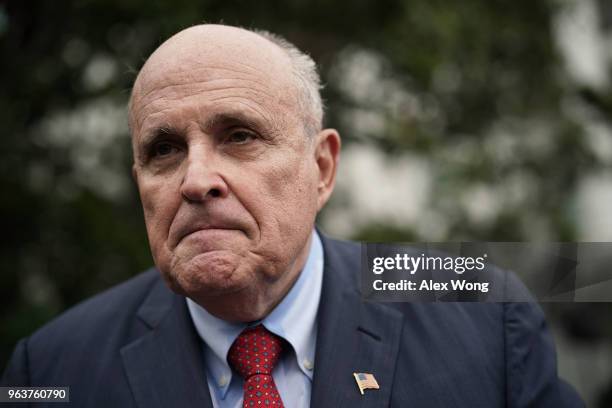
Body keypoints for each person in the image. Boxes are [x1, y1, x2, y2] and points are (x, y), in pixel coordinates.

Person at [1, 24, 583, 407]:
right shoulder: (50, 371)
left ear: (322, 167)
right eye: (164, 150)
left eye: (240, 136)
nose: (196, 179)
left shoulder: (481, 309)